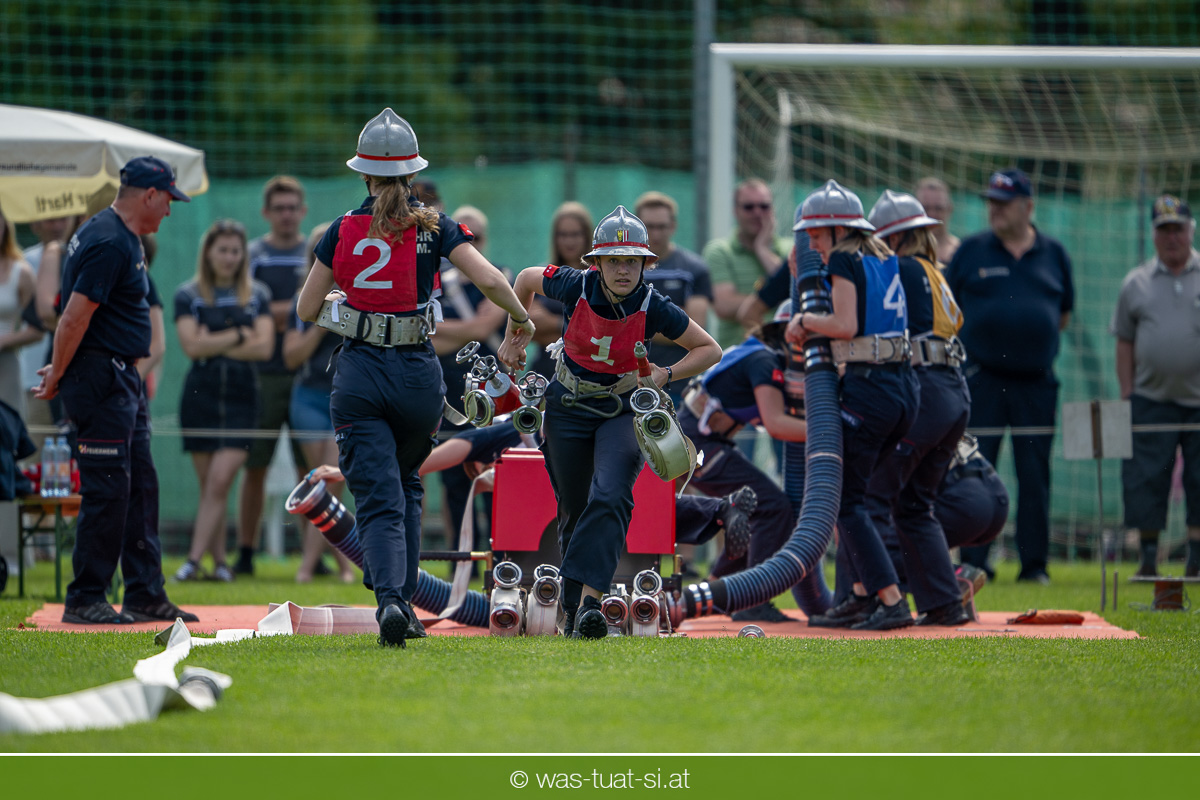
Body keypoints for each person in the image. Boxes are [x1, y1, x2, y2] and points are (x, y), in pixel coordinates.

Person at [296, 108, 535, 648]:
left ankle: (390, 601)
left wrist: (352, 314)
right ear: (412, 171)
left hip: (360, 373)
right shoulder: (434, 225)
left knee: (378, 493)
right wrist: (521, 320)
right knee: (406, 483)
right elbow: (490, 279)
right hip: (417, 376)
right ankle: (401, 601)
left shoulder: (340, 230)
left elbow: (307, 309)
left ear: (364, 173)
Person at [500, 205, 721, 638]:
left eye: (632, 261)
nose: (623, 269)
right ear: (597, 263)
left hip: (622, 409)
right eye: (614, 260)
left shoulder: (655, 305)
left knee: (612, 494)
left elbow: (709, 349)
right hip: (567, 404)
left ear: (646, 264)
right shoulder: (574, 284)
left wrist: (666, 373)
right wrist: (516, 333)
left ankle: (589, 604)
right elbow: (524, 279)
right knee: (574, 508)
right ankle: (570, 609)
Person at [33, 155, 197, 625]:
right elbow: (73, 317)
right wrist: (58, 373)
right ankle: (86, 596)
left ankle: (145, 593)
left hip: (120, 377)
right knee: (107, 489)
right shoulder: (109, 240)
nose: (169, 210)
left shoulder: (117, 234)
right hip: (101, 377)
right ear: (149, 195)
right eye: (167, 199)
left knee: (139, 485)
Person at [787, 180, 919, 630]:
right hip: (904, 388)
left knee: (846, 502)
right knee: (858, 498)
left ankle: (891, 600)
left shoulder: (845, 257)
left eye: (816, 236)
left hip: (873, 389)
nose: (812, 245)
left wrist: (803, 319)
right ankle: (861, 596)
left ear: (838, 229)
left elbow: (844, 324)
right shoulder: (882, 255)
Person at [946, 168, 1074, 585]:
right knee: (975, 471)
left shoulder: (1055, 254)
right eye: (991, 202)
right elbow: (946, 309)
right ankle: (976, 561)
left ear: (1028, 206)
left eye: (1004, 203)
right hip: (981, 380)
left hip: (1036, 383)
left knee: (1034, 475)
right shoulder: (971, 251)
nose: (995, 210)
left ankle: (1034, 566)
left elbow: (1063, 315)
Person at [864, 190, 971, 626]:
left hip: (925, 390)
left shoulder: (902, 269)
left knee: (870, 497)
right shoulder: (933, 270)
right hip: (953, 391)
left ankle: (880, 602)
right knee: (914, 504)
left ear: (893, 238)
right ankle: (945, 603)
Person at [678, 302, 807, 622]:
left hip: (699, 438)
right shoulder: (764, 361)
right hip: (698, 442)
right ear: (786, 334)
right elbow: (776, 423)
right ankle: (752, 599)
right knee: (771, 507)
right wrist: (833, 430)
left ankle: (715, 590)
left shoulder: (758, 353)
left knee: (751, 510)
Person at [172, 220, 274, 582]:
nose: (230, 257)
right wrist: (239, 334)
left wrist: (212, 340)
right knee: (210, 488)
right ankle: (218, 563)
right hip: (200, 396)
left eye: (235, 251)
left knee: (219, 481)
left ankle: (192, 561)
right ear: (208, 253)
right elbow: (191, 347)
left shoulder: (257, 293)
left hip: (242, 398)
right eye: (223, 250)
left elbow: (264, 348)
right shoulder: (188, 294)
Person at [1112, 194, 1200, 578]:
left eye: (1178, 229)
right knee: (1146, 479)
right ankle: (1148, 559)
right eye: (1164, 230)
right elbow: (1124, 341)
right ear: (1153, 235)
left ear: (1191, 230)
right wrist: (1127, 393)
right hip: (1150, 398)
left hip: (1198, 401)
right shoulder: (1135, 283)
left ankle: (1196, 560)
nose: (1172, 237)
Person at [235, 176, 310, 577]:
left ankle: (314, 555)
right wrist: (300, 307)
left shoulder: (314, 254)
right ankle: (245, 552)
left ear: (303, 211)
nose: (286, 215)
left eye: (292, 207)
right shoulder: (253, 255)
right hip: (261, 376)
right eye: (279, 208)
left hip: (307, 374)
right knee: (255, 466)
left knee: (310, 470)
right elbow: (247, 311)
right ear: (266, 212)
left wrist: (277, 312)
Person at [431, 204, 508, 564]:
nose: (471, 244)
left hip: (493, 395)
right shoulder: (438, 283)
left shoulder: (500, 276)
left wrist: (442, 330)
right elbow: (427, 340)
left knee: (497, 479)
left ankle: (498, 560)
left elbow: (482, 329)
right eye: (464, 237)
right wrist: (463, 332)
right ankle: (459, 561)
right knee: (453, 482)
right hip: (449, 393)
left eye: (476, 237)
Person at [283, 222, 356, 583]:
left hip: (347, 394)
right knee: (323, 479)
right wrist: (321, 318)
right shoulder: (301, 304)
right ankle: (332, 564)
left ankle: (313, 564)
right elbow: (292, 357)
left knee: (331, 480)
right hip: (310, 397)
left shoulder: (358, 297)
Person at [634, 191, 713, 404]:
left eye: (661, 226)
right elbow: (684, 327)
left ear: (673, 226)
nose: (655, 234)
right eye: (649, 227)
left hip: (678, 385)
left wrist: (630, 321)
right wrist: (673, 321)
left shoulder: (694, 269)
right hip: (628, 384)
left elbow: (696, 326)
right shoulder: (624, 268)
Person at [0, 202, 42, 579]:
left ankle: (11, 552)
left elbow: (38, 327)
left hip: (7, 370)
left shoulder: (21, 271)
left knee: (8, 454)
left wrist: (4, 341)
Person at [702, 178, 791, 348]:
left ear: (773, 209)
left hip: (785, 352)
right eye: (749, 207)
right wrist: (775, 298)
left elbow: (794, 292)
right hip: (737, 353)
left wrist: (762, 250)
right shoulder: (720, 251)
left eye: (764, 206)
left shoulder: (791, 248)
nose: (757, 213)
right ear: (735, 211)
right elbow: (723, 305)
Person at [527, 202, 593, 378]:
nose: (569, 241)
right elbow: (530, 328)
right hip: (545, 372)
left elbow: (599, 334)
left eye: (575, 234)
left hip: (587, 374)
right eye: (563, 235)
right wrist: (577, 331)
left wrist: (553, 323)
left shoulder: (598, 278)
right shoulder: (544, 274)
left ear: (587, 236)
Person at [915, 177, 960, 264]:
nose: (932, 214)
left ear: (949, 209)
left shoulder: (960, 250)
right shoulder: (905, 252)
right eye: (925, 208)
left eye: (938, 208)